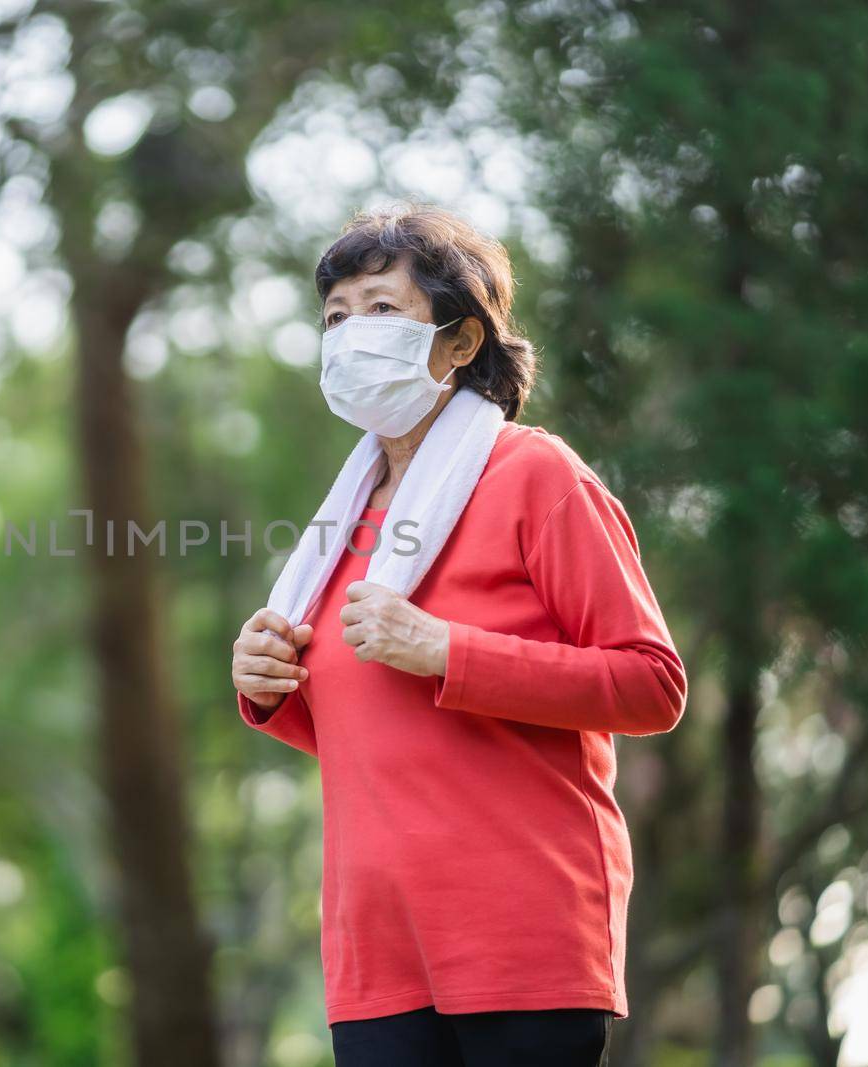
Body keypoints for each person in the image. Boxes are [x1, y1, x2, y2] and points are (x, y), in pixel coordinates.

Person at [230, 203, 687, 1066]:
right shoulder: (345, 522)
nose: (349, 332)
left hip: (521, 933)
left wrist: (449, 651)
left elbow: (652, 684)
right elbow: (368, 723)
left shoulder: (536, 474)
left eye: (381, 309)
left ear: (462, 341)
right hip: (376, 951)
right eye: (335, 316)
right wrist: (266, 685)